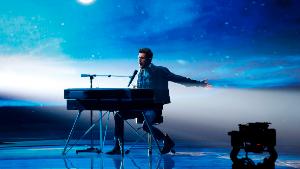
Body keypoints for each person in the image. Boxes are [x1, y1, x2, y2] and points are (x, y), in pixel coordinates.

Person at [106, 48, 210, 155]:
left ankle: (167, 140)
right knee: (118, 115)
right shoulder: (140, 73)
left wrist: (199, 83)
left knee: (146, 126)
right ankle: (118, 147)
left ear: (149, 59)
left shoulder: (159, 70)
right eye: (138, 58)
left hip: (153, 108)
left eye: (142, 58)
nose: (139, 61)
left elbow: (178, 78)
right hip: (140, 107)